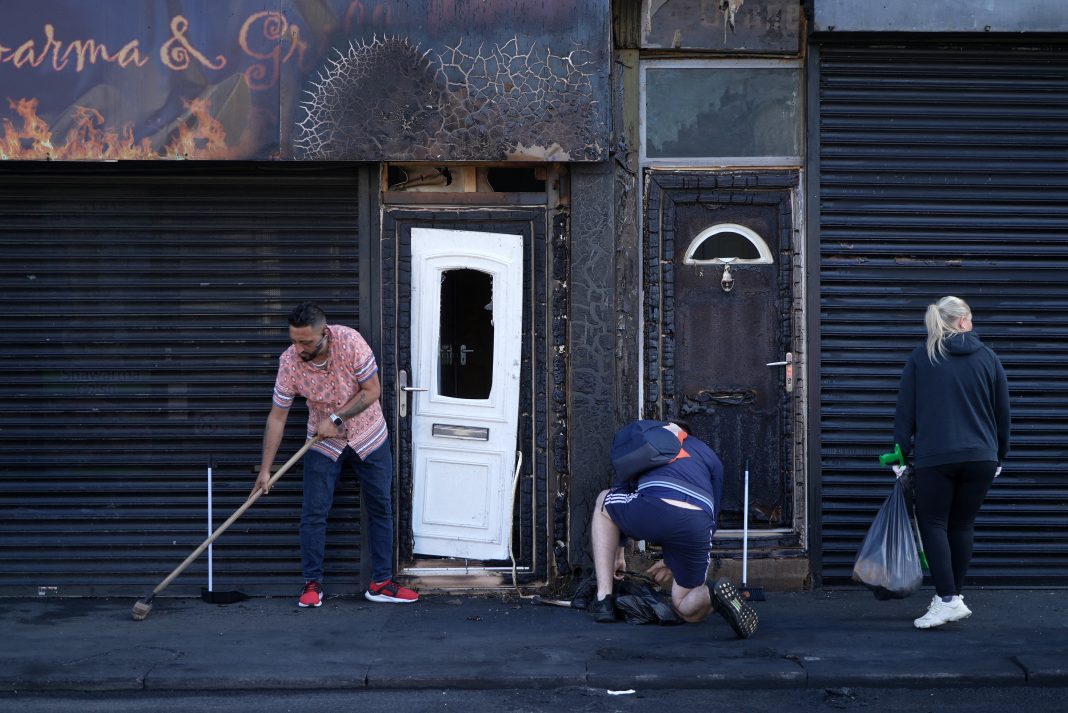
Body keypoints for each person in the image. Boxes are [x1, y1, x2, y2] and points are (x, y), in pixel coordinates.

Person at [254, 302, 418, 608]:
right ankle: (312, 584)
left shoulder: (351, 342)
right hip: (322, 441)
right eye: (294, 340)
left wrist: (338, 418)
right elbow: (277, 417)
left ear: (325, 334)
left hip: (369, 435)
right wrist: (266, 470)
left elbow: (371, 391)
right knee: (314, 511)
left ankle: (381, 583)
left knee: (381, 506)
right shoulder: (289, 362)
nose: (298, 348)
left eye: (305, 341)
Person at [894, 296, 1010, 629]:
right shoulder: (989, 358)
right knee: (962, 525)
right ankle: (952, 596)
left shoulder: (922, 358)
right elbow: (1003, 413)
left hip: (937, 458)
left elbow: (906, 412)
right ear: (961, 322)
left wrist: (900, 454)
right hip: (982, 459)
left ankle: (946, 598)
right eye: (970, 318)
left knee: (934, 524)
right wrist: (1000, 454)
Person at [588, 419, 759, 638]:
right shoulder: (709, 455)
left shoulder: (649, 441)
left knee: (604, 501)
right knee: (686, 608)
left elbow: (623, 487)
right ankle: (712, 593)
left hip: (655, 506)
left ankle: (604, 599)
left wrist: (619, 551)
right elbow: (712, 514)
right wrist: (673, 559)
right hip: (699, 523)